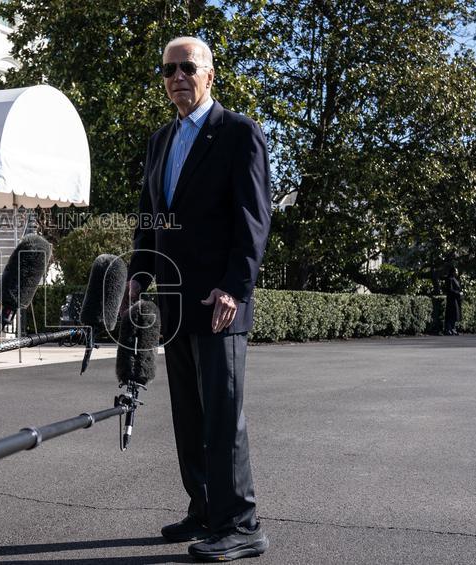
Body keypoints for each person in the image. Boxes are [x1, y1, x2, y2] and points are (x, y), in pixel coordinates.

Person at [126, 36, 272, 560]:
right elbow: (151, 217)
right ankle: (205, 509)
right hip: (174, 301)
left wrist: (236, 286)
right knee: (188, 413)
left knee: (222, 413)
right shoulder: (160, 141)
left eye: (188, 67)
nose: (176, 77)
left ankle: (243, 523)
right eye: (167, 70)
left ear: (210, 75)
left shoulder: (239, 134)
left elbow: (253, 221)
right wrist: (138, 275)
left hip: (219, 302)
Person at [444, 267, 462, 336]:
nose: (457, 272)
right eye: (456, 271)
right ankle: (448, 329)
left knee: (455, 315)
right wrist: (458, 293)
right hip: (451, 300)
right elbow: (450, 290)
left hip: (456, 300)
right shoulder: (450, 279)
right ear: (453, 272)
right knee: (451, 314)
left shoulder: (455, 279)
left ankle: (453, 328)